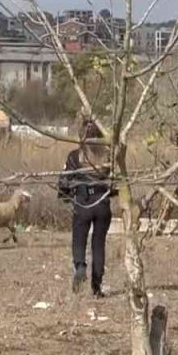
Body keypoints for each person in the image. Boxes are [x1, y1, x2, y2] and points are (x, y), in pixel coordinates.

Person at [57, 121, 113, 297]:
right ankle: (97, 286)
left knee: (79, 239)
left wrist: (65, 196)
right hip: (102, 202)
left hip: (83, 201)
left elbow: (64, 181)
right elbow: (116, 183)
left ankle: (80, 266)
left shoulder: (75, 156)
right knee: (99, 244)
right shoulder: (108, 157)